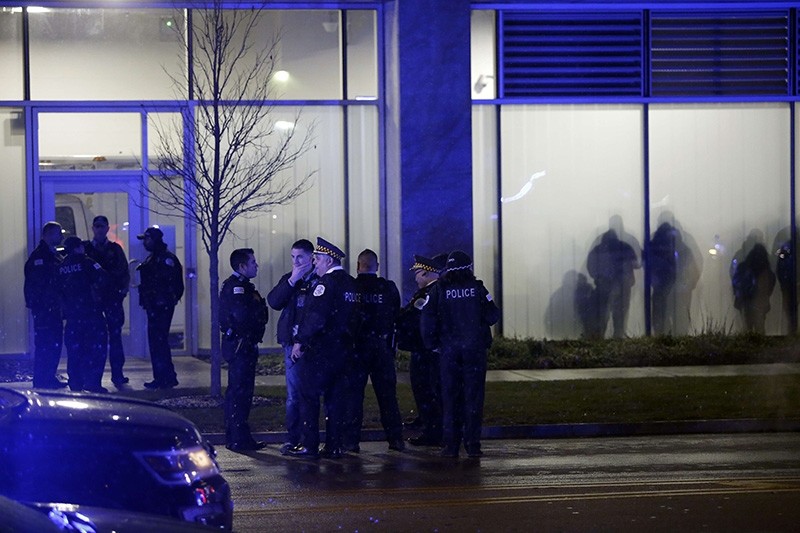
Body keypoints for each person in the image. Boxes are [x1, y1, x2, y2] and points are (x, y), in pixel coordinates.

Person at [421, 250, 500, 459]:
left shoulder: (439, 290)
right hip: (474, 353)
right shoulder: (478, 289)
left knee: (450, 399)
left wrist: (432, 344)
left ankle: (451, 446)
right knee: (473, 398)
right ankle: (472, 444)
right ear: (468, 268)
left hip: (449, 353)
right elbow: (493, 315)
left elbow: (427, 320)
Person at [286, 237, 356, 459]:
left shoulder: (326, 284)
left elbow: (316, 317)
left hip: (322, 351)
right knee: (336, 400)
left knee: (309, 397)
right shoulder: (350, 283)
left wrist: (300, 342)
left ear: (327, 260)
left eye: (316, 259)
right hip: (343, 351)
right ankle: (334, 445)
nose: (314, 263)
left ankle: (309, 444)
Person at [343, 249, 405, 453]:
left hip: (356, 349)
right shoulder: (387, 288)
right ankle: (395, 439)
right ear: (377, 266)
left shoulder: (351, 287)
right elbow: (397, 315)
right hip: (381, 348)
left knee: (353, 397)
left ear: (358, 266)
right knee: (388, 396)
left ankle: (351, 441)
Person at [266, 238, 316, 456]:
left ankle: (309, 440)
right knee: (294, 394)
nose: (296, 262)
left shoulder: (319, 279)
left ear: (311, 258)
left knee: (308, 393)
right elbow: (275, 301)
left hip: (311, 344)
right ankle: (293, 438)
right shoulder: (290, 278)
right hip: (291, 344)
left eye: (300, 258)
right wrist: (292, 280)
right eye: (293, 257)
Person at [220, 248, 269, 452]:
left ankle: (237, 436)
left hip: (243, 345)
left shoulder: (242, 286)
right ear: (242, 266)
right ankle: (238, 437)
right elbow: (243, 318)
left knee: (240, 392)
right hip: (242, 346)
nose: (256, 265)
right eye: (253, 262)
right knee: (240, 392)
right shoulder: (237, 288)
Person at [395, 254, 447, 446]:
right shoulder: (432, 292)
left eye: (417, 273)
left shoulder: (429, 294)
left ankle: (433, 431)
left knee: (426, 391)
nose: (416, 278)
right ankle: (428, 422)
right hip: (426, 349)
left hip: (425, 351)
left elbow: (414, 319)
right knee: (428, 390)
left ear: (425, 273)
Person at [56, 236, 110, 393]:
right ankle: (92, 383)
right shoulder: (87, 262)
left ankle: (75, 382)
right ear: (79, 247)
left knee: (75, 351)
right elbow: (104, 279)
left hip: (73, 316)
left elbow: (58, 291)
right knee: (95, 350)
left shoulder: (61, 267)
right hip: (91, 314)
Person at [84, 215, 131, 388]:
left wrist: (121, 292)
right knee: (96, 340)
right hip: (94, 302)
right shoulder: (86, 248)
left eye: (102, 226)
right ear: (93, 228)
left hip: (112, 300)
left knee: (115, 338)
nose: (99, 229)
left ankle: (117, 374)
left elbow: (124, 272)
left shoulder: (115, 249)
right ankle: (94, 377)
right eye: (96, 226)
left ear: (107, 228)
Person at [136, 226, 184, 389]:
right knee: (157, 342)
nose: (145, 243)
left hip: (161, 307)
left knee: (159, 342)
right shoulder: (153, 258)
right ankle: (164, 376)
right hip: (154, 306)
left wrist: (168, 300)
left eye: (147, 239)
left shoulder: (165, 259)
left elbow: (174, 283)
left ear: (155, 239)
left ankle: (164, 378)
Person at [24, 221, 67, 389]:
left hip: (49, 308)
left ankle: (48, 377)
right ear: (47, 235)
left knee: (52, 343)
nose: (61, 237)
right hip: (46, 309)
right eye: (58, 233)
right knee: (46, 344)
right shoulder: (41, 257)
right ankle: (44, 379)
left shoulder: (49, 255)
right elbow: (41, 284)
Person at [586, 229, 639, 338]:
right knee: (620, 315)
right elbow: (636, 264)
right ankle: (618, 338)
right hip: (623, 286)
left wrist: (599, 277)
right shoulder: (625, 247)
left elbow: (590, 267)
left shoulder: (598, 250)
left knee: (602, 315)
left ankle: (599, 339)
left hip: (603, 286)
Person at [731, 242, 776, 334]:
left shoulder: (743, 267)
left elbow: (736, 281)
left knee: (747, 326)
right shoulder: (766, 270)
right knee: (760, 326)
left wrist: (739, 295)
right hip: (760, 302)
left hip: (745, 301)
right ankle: (759, 345)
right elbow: (770, 285)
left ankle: (748, 345)